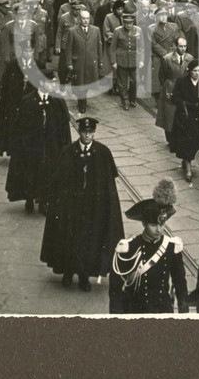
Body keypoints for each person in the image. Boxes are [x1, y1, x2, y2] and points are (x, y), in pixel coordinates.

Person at [40, 117, 124, 291]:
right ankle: (68, 272)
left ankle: (84, 276)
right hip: (71, 207)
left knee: (89, 242)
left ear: (94, 132)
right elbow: (57, 180)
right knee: (69, 239)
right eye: (84, 132)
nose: (87, 135)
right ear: (79, 132)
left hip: (93, 208)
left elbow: (109, 184)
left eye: (90, 132)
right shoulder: (67, 152)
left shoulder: (102, 152)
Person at [109, 178, 189, 314]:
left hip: (163, 311)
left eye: (162, 225)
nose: (158, 230)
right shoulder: (129, 248)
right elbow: (116, 289)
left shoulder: (171, 247)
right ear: (144, 223)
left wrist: (184, 310)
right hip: (135, 311)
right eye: (153, 225)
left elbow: (180, 283)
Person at [7, 71, 72, 214]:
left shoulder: (57, 101)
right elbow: (20, 126)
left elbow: (63, 125)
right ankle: (29, 198)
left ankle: (44, 201)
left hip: (50, 145)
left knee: (48, 172)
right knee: (31, 171)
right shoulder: (28, 100)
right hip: (32, 146)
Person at [155, 37, 193, 149]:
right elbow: (162, 75)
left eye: (185, 46)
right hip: (171, 86)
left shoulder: (189, 58)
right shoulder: (167, 58)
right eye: (181, 46)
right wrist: (167, 86)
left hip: (184, 88)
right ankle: (170, 139)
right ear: (176, 46)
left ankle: (180, 138)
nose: (183, 48)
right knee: (169, 113)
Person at [64, 9, 104, 114]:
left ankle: (83, 100)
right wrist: (69, 63)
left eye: (87, 18)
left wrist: (100, 61)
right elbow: (68, 49)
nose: (85, 20)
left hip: (91, 62)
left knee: (87, 83)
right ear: (79, 19)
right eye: (83, 18)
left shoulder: (96, 30)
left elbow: (99, 47)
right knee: (79, 83)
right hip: (78, 63)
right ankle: (81, 103)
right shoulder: (72, 31)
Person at [170, 59, 199, 182]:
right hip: (185, 117)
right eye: (195, 71)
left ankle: (188, 161)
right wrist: (186, 104)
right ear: (190, 71)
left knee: (197, 142)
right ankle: (188, 168)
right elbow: (175, 98)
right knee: (186, 144)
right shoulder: (182, 82)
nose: (197, 73)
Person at [111, 12, 142, 110]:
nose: (128, 25)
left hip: (134, 59)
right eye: (126, 23)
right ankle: (124, 101)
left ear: (133, 22)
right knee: (122, 83)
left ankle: (132, 99)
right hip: (122, 60)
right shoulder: (118, 31)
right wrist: (114, 62)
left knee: (135, 81)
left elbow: (142, 47)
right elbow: (113, 48)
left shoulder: (138, 30)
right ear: (123, 23)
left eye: (130, 23)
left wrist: (141, 60)